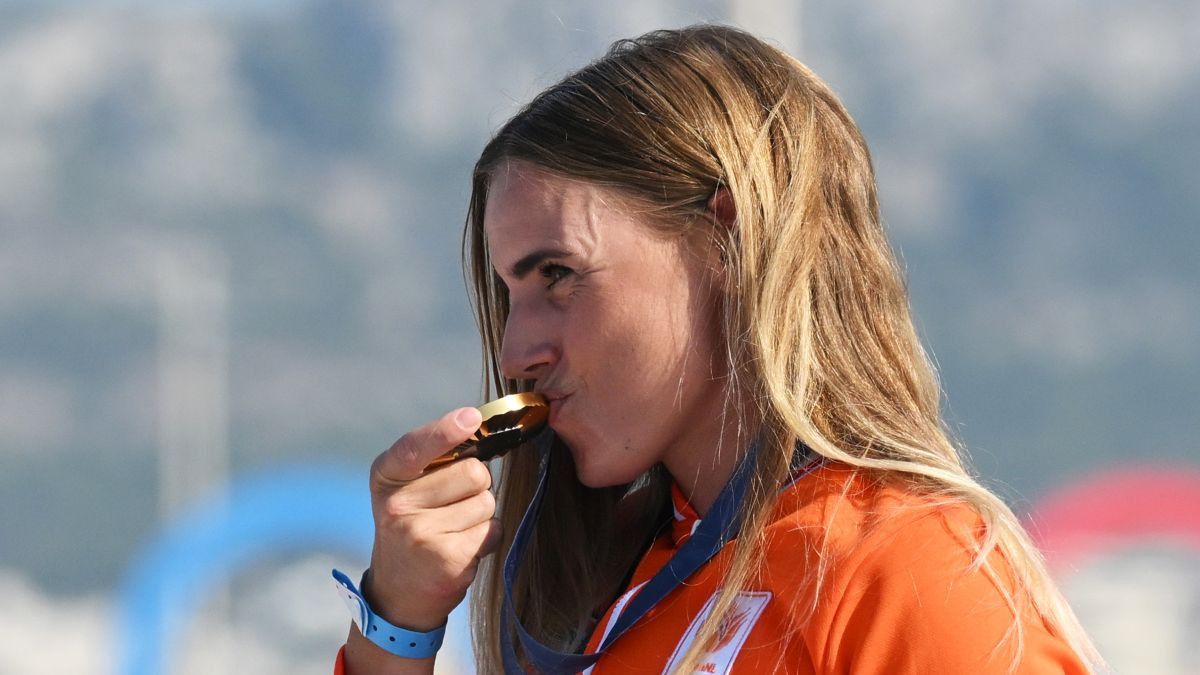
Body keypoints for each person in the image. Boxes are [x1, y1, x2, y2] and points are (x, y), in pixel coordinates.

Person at [335, 25, 1101, 674]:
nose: (516, 351)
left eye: (559, 275)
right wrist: (398, 623)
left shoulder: (909, 565)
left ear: (726, 240)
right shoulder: (625, 592)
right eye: (510, 294)